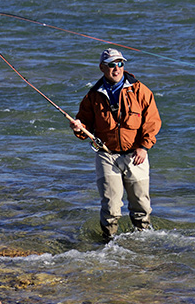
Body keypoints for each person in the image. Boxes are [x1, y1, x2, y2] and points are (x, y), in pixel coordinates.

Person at [69, 48, 161, 242]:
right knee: (111, 207)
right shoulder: (93, 96)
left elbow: (152, 121)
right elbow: (84, 125)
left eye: (120, 63)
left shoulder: (140, 90)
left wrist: (144, 147)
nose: (117, 68)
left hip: (135, 155)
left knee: (141, 206)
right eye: (112, 64)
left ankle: (144, 242)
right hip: (106, 155)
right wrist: (78, 127)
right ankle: (109, 244)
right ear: (102, 68)